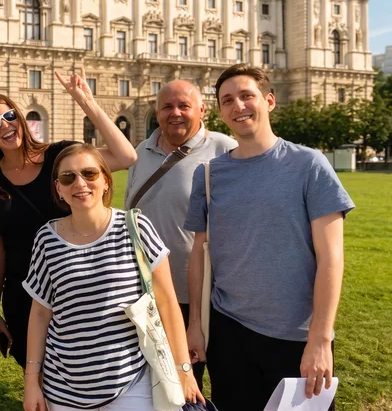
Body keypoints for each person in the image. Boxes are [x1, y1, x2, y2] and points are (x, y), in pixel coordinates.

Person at [185, 64, 354, 410]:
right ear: (220, 112)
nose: (238, 106)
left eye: (247, 96)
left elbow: (331, 258)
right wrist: (196, 326)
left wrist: (321, 339)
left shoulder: (310, 165)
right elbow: (199, 254)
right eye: (227, 100)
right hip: (229, 334)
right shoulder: (208, 174)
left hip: (297, 337)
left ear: (269, 101)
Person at [0, 68, 138, 368]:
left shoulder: (60, 157)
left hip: (76, 286)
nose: (5, 126)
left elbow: (126, 156)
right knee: (36, 375)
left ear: (20, 117)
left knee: (84, 370)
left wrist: (86, 102)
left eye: (9, 116)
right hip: (23, 295)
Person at [22, 144, 204, 411]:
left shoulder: (136, 228)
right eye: (68, 177)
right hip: (62, 389)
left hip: (130, 384)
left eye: (89, 173)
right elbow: (40, 314)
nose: (80, 183)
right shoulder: (47, 239)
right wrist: (31, 382)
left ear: (106, 181)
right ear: (59, 188)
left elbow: (167, 303)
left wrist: (184, 370)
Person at [125, 80, 237, 388]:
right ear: (157, 112)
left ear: (202, 110)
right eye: (167, 107)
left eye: (184, 106)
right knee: (157, 384)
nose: (175, 113)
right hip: (147, 291)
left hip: (202, 296)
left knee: (199, 382)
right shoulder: (141, 151)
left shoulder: (224, 149)